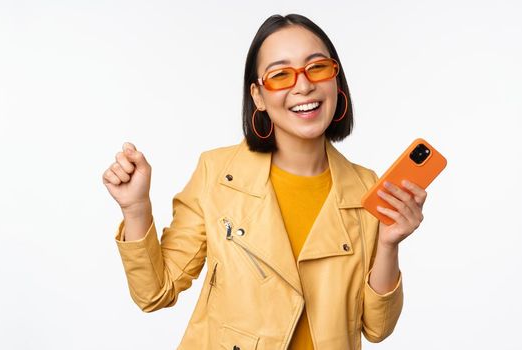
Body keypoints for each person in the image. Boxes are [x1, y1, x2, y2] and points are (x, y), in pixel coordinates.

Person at [102, 13, 428, 350]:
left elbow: (377, 328)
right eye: (280, 74)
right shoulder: (217, 173)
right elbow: (155, 293)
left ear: (336, 80)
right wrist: (136, 208)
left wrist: (389, 243)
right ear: (258, 96)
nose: (303, 86)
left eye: (317, 67)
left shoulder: (365, 188)